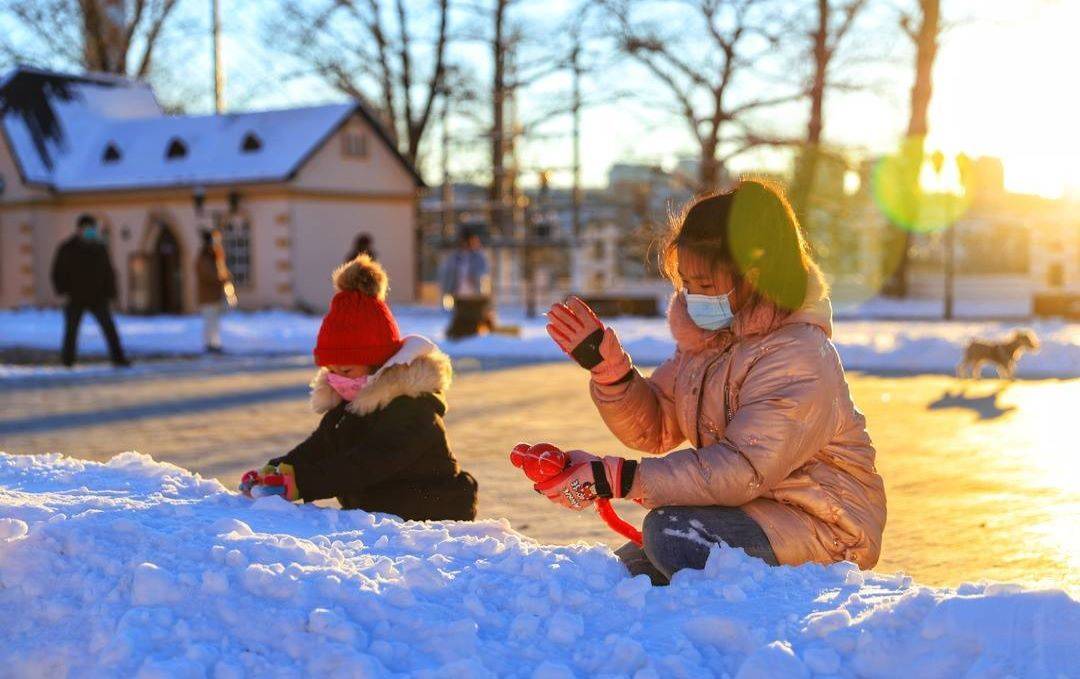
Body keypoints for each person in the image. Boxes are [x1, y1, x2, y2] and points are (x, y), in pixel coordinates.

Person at [540, 180, 886, 584]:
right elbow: (656, 429)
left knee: (667, 535)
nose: (692, 298)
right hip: (753, 510)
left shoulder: (797, 355)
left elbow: (740, 469)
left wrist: (619, 478)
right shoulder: (709, 345)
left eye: (705, 286)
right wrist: (612, 374)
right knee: (627, 574)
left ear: (753, 277)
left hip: (825, 527)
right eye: (686, 284)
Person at [239, 255, 478, 521]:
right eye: (331, 371)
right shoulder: (351, 405)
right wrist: (278, 470)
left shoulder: (413, 409)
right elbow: (321, 446)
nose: (339, 379)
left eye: (347, 371)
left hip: (433, 522)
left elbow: (364, 465)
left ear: (377, 366)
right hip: (385, 521)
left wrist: (299, 485)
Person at [50, 214, 130, 367]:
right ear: (80, 229)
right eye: (88, 229)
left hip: (98, 297)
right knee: (71, 331)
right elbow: (57, 272)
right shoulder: (67, 248)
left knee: (109, 329)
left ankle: (118, 358)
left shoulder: (100, 248)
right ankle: (67, 361)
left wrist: (112, 294)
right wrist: (62, 292)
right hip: (75, 297)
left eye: (93, 229)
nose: (91, 232)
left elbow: (108, 272)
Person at [438, 231, 494, 339]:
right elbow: (447, 275)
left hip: (476, 297)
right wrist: (447, 291)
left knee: (475, 321)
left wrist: (476, 278)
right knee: (461, 323)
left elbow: (484, 274)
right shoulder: (455, 258)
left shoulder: (479, 257)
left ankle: (479, 339)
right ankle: (457, 338)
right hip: (461, 296)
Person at [195, 229, 232, 354]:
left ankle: (215, 343)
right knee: (209, 321)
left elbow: (222, 271)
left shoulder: (216, 256)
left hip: (216, 295)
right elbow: (209, 275)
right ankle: (209, 344)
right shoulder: (204, 257)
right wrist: (221, 278)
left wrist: (226, 276)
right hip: (208, 296)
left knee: (215, 322)